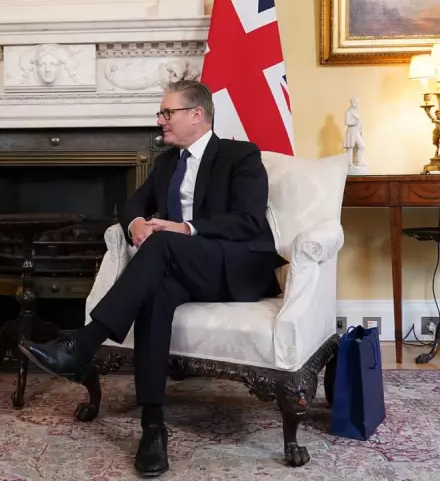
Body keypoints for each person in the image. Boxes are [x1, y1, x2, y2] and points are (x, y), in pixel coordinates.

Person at [19, 79, 284, 477]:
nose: (160, 120)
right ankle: (153, 425)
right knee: (155, 293)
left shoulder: (240, 155)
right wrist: (137, 223)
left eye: (167, 113)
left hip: (233, 266)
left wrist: (185, 229)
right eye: (161, 113)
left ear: (197, 114)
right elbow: (133, 204)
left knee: (162, 244)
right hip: (180, 265)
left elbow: (247, 222)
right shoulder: (166, 163)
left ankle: (84, 343)